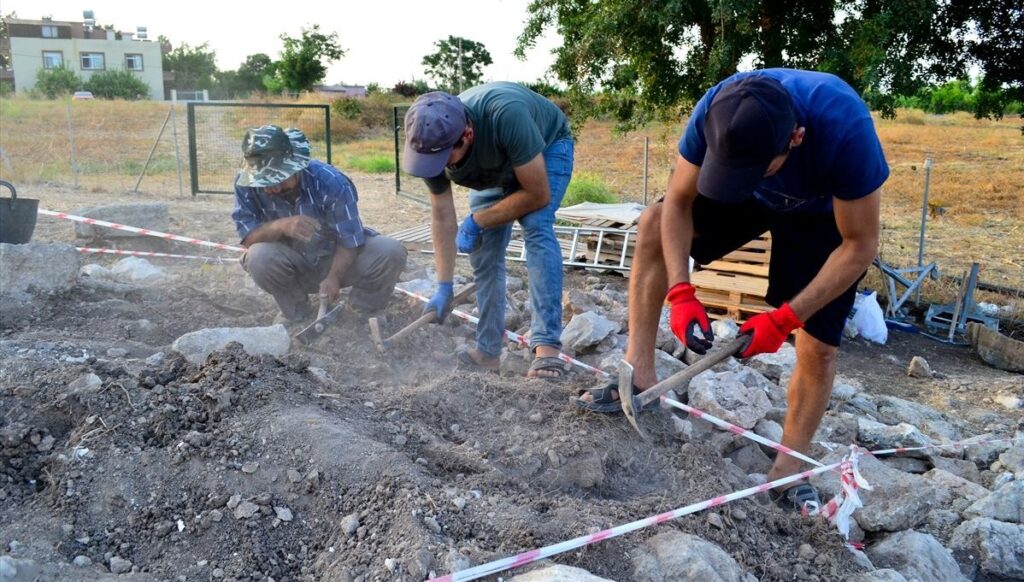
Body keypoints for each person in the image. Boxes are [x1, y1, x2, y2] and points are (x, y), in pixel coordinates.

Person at [575, 69, 888, 512]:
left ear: (796, 139)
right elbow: (678, 203)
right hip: (749, 202)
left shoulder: (844, 128)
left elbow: (860, 245)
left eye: (758, 167)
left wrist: (784, 319)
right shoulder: (717, 107)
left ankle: (787, 470)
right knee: (650, 224)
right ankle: (637, 377)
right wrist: (680, 292)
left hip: (821, 216)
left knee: (819, 349)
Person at [402, 83, 574, 378]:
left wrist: (478, 220)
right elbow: (442, 215)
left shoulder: (505, 114)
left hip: (545, 148)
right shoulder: (429, 140)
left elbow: (537, 195)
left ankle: (546, 350)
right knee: (484, 251)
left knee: (536, 225)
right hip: (493, 168)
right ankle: (487, 352)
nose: (438, 167)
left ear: (466, 135)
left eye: (444, 159)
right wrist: (444, 285)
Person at [232, 125, 407, 327]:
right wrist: (280, 226)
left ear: (296, 167)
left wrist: (334, 276)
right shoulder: (245, 184)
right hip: (293, 263)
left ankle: (364, 309)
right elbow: (247, 237)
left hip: (339, 258)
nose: (274, 188)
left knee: (390, 251)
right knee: (258, 256)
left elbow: (349, 240)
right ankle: (296, 312)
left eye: (280, 178)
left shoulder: (330, 182)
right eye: (265, 182)